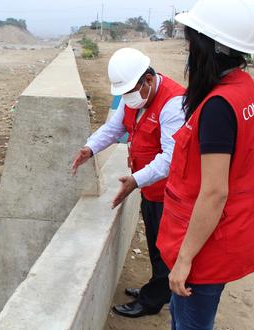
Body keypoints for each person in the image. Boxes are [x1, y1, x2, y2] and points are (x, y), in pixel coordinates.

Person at [155, 0, 254, 329]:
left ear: (211, 47)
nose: (189, 50)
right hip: (222, 236)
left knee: (190, 324)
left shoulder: (219, 106)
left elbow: (215, 192)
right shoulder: (245, 90)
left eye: (192, 41)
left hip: (204, 248)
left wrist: (183, 261)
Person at [71, 48, 185, 318]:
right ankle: (160, 287)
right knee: (156, 241)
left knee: (165, 247)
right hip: (150, 187)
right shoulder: (132, 97)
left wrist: (135, 179)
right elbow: (114, 128)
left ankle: (152, 300)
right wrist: (90, 148)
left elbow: (171, 158)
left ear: (148, 79)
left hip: (170, 191)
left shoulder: (173, 104)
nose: (128, 98)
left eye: (132, 91)